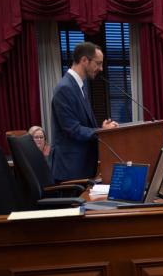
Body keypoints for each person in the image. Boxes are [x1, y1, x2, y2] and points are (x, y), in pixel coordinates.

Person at [50, 41, 118, 182]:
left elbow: (82, 124)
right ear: (84, 60)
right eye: (98, 63)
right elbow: (72, 129)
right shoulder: (65, 88)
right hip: (71, 171)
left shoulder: (78, 86)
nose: (101, 69)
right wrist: (101, 132)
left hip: (81, 167)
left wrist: (101, 128)